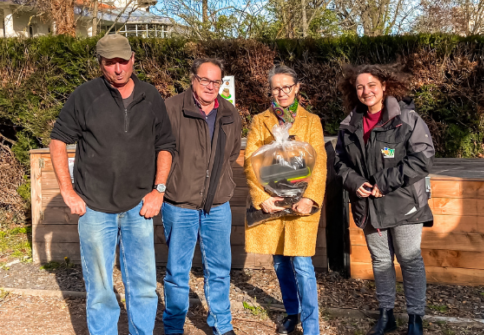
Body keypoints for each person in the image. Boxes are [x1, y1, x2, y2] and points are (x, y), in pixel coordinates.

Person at [49, 34, 176, 335]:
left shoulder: (151, 96)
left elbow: (166, 145)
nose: (118, 69)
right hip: (94, 207)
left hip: (139, 206)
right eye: (110, 63)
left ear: (133, 59)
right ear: (101, 64)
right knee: (100, 286)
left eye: (122, 61)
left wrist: (158, 191)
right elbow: (58, 141)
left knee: (144, 284)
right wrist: (67, 191)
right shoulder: (84, 96)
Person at [334, 64, 435, 335]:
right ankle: (386, 314)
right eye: (360, 87)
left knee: (409, 258)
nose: (366, 91)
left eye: (372, 85)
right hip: (369, 206)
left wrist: (383, 182)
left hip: (403, 203)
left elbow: (422, 158)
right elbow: (340, 162)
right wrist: (356, 184)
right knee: (380, 261)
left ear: (385, 87)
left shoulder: (406, 119)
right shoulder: (349, 125)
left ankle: (415, 318)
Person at [244, 65, 327, 335]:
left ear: (297, 88)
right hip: (273, 203)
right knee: (280, 263)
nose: (281, 93)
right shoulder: (260, 120)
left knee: (302, 265)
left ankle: (311, 326)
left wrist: (311, 198)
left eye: (286, 87)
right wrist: (260, 198)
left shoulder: (311, 120)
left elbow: (320, 164)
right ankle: (292, 312)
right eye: (276, 88)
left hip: (301, 205)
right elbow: (250, 162)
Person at [162, 58, 242, 335]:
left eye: (216, 81)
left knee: (219, 269)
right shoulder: (172, 108)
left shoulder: (230, 113)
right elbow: (160, 150)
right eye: (204, 80)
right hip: (179, 203)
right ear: (193, 79)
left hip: (217, 204)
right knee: (176, 272)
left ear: (222, 83)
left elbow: (231, 154)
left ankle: (222, 325)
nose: (210, 86)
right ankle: (173, 327)